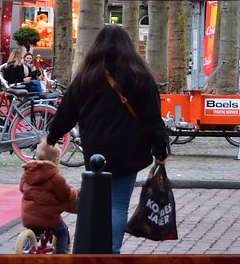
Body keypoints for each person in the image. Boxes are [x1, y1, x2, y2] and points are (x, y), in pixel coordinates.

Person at [46, 24, 168, 254]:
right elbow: (153, 118)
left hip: (96, 148)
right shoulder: (140, 77)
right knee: (119, 203)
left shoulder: (86, 76)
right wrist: (159, 150)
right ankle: (112, 252)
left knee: (97, 201)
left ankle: (92, 247)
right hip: (128, 150)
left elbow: (66, 112)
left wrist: (51, 138)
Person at [19, 142, 80, 254]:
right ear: (56, 160)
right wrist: (75, 192)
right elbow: (66, 195)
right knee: (62, 232)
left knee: (34, 231)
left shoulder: (28, 172)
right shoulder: (55, 177)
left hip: (28, 215)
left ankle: (25, 248)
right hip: (48, 217)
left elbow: (22, 188)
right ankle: (61, 255)